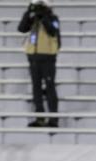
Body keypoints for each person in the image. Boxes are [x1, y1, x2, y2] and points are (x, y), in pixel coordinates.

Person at [18, 0, 61, 128]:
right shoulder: (34, 19)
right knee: (36, 88)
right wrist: (29, 12)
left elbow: (53, 30)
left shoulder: (53, 18)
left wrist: (44, 17)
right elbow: (21, 28)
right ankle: (40, 117)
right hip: (33, 57)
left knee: (49, 86)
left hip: (48, 57)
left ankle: (53, 118)